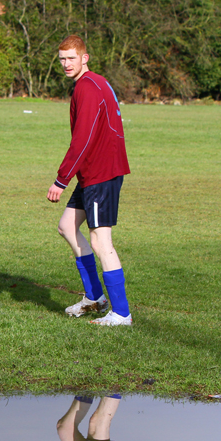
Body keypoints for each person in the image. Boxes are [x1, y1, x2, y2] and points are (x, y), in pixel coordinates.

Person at [46, 35, 132, 326]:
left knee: (100, 240)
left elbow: (82, 139)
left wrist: (61, 180)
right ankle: (95, 297)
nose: (66, 64)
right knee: (67, 227)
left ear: (85, 58)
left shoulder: (87, 87)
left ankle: (121, 312)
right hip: (94, 172)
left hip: (101, 173)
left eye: (71, 58)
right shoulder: (95, 81)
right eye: (62, 59)